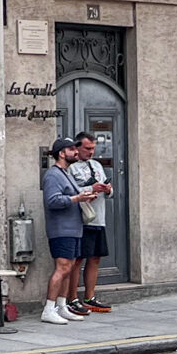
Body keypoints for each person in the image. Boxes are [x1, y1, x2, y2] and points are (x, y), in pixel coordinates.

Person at [40, 137, 99, 324]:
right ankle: (49, 309)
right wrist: (76, 199)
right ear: (61, 153)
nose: (75, 152)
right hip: (61, 230)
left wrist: (85, 197)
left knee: (69, 268)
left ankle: (62, 306)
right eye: (71, 149)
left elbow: (72, 196)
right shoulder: (53, 175)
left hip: (74, 229)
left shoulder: (66, 173)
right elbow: (52, 201)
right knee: (62, 268)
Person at [64, 132, 113, 314]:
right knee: (77, 259)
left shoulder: (97, 165)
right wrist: (90, 188)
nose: (91, 152)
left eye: (93, 148)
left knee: (95, 258)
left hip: (98, 218)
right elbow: (70, 191)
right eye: (87, 148)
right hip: (81, 219)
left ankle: (90, 297)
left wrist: (107, 189)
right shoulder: (71, 168)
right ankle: (72, 298)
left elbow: (110, 192)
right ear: (77, 147)